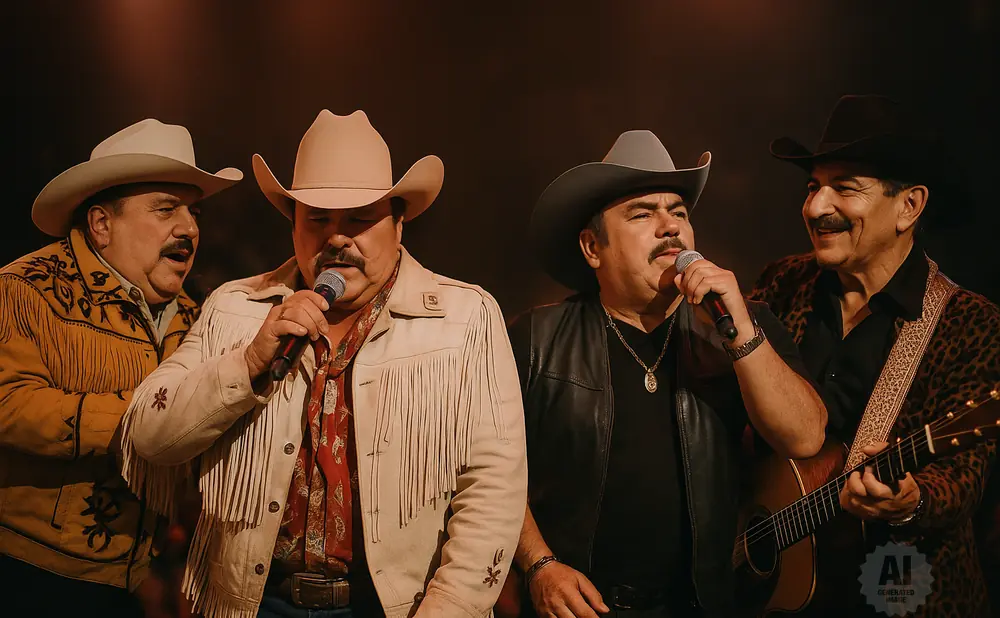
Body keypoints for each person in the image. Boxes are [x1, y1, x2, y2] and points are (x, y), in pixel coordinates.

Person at [120, 109, 527, 618]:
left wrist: (449, 609)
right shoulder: (235, 308)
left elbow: (493, 485)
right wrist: (249, 362)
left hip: (396, 608)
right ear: (292, 224)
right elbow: (149, 434)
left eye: (360, 219)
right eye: (318, 219)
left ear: (399, 225)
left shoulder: (465, 317)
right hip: (253, 604)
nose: (337, 238)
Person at [508, 130, 828, 617]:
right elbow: (487, 470)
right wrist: (540, 565)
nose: (669, 227)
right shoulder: (538, 339)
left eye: (678, 212)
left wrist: (740, 331)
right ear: (593, 247)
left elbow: (805, 439)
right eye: (642, 213)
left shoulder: (744, 326)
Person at [750, 94, 999, 617]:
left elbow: (964, 474)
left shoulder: (970, 324)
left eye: (845, 188)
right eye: (814, 186)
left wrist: (913, 500)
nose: (816, 208)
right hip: (781, 593)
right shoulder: (781, 284)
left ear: (909, 206)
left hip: (903, 592)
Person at [0, 118, 242, 616]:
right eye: (166, 209)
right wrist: (146, 419)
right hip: (26, 574)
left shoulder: (199, 320)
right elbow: (7, 403)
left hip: (138, 584)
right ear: (102, 225)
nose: (190, 230)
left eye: (193, 213)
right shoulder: (23, 288)